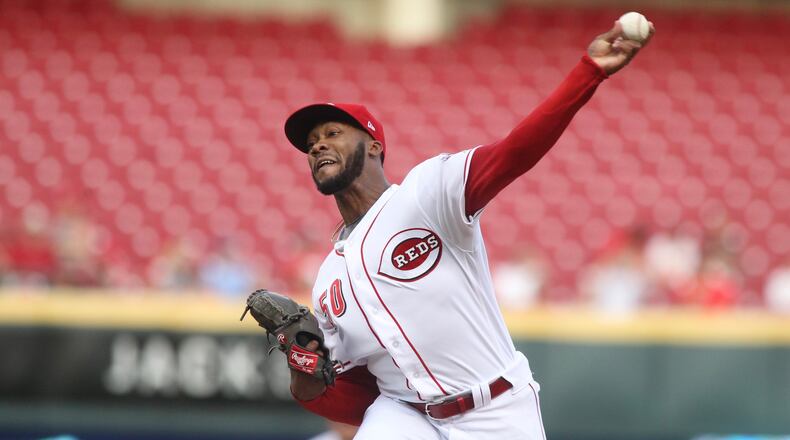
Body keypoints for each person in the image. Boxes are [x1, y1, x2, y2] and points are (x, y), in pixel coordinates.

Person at [280, 19, 654, 439]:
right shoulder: (328, 279)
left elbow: (514, 152)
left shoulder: (425, 193)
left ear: (374, 146)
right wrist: (304, 373)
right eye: (310, 142)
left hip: (496, 408)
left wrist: (588, 72)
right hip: (404, 413)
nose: (317, 145)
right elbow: (353, 396)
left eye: (332, 133)